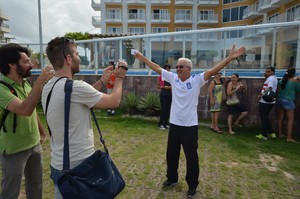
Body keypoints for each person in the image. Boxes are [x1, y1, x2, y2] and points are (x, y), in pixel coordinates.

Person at [133, 45, 245, 198]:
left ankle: (192, 185)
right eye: (177, 66)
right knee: (171, 154)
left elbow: (213, 70)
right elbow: (157, 68)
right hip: (174, 125)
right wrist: (142, 58)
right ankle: (171, 179)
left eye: (181, 67)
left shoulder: (197, 80)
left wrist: (229, 58)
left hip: (189, 127)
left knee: (191, 157)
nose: (177, 69)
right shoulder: (173, 78)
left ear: (189, 69)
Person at [41, 37, 128, 199]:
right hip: (79, 169)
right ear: (68, 59)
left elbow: (81, 99)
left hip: (59, 165)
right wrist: (120, 77)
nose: (79, 58)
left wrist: (102, 81)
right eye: (76, 54)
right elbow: (113, 101)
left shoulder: (49, 86)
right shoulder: (76, 87)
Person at [0, 43, 54, 199]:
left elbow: (32, 109)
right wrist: (39, 82)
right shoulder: (2, 89)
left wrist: (41, 131)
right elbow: (25, 109)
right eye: (26, 61)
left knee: (35, 186)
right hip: (13, 150)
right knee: (11, 191)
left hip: (34, 145)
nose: (31, 65)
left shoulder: (24, 83)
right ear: (11, 64)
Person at [277, 68, 300, 143]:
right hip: (289, 101)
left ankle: (280, 134)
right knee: (290, 120)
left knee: (280, 117)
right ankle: (289, 137)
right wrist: (298, 80)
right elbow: (298, 90)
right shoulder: (294, 81)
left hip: (280, 100)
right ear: (293, 74)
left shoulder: (282, 80)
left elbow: (280, 83)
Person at [256, 66, 278, 140]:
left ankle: (264, 135)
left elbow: (269, 88)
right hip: (270, 101)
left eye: (268, 71)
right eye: (266, 71)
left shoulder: (271, 79)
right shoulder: (274, 78)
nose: (267, 73)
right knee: (265, 117)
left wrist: (261, 94)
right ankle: (271, 133)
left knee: (264, 118)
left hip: (265, 101)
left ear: (272, 72)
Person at [157, 64, 172, 130]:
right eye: (166, 68)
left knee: (168, 109)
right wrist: (163, 87)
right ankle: (161, 124)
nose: (167, 70)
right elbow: (158, 86)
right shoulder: (160, 77)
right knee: (164, 109)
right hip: (163, 94)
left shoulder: (171, 77)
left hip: (169, 94)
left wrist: (170, 87)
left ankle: (166, 123)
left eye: (168, 68)